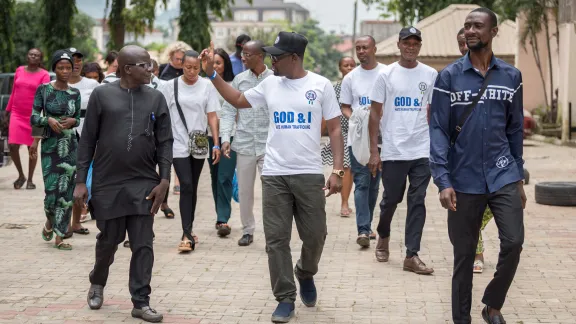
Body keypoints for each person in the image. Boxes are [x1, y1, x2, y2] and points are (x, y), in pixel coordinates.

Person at [200, 31, 344, 323]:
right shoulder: (270, 85)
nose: (271, 60)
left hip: (308, 173)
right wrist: (213, 75)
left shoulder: (320, 85)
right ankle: (285, 298)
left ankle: (305, 272)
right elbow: (238, 99)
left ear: (294, 57)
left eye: (276, 56)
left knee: (316, 235)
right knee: (276, 240)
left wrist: (338, 170)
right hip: (275, 173)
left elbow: (336, 128)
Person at [429, 8, 526, 324]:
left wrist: (519, 177)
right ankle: (462, 320)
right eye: (467, 26)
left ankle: (492, 304)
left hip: (503, 174)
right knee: (464, 257)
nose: (470, 30)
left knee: (513, 242)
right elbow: (439, 130)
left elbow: (514, 130)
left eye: (477, 26)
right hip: (463, 178)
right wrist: (443, 180)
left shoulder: (511, 76)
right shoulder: (449, 77)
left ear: (494, 31)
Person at [74, 45, 172, 323]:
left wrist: (164, 179)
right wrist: (81, 181)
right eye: (145, 65)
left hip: (143, 181)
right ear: (127, 68)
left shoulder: (156, 98)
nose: (151, 68)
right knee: (110, 240)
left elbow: (165, 142)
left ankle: (141, 302)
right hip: (108, 182)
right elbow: (87, 140)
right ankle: (97, 280)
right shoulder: (102, 95)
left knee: (143, 244)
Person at [367, 26, 437, 275]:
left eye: (415, 43)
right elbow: (375, 114)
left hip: (421, 148)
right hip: (394, 149)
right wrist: (375, 151)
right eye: (406, 43)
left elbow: (433, 113)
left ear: (420, 46)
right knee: (391, 200)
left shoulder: (430, 74)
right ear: (398, 45)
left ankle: (411, 254)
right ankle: (383, 234)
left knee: (417, 200)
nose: (411, 47)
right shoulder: (386, 75)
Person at [160, 50, 221, 252]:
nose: (192, 71)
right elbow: (162, 114)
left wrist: (216, 143)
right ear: (181, 65)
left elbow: (212, 115)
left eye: (196, 68)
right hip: (177, 142)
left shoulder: (207, 86)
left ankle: (189, 228)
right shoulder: (170, 86)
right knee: (185, 184)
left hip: (200, 142)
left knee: (192, 187)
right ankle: (186, 234)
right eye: (188, 67)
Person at [220, 40, 274, 246]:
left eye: (247, 54)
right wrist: (226, 138)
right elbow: (228, 111)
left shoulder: (275, 79)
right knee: (244, 191)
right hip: (243, 143)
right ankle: (248, 230)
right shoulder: (239, 80)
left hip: (269, 145)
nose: (242, 57)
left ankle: (272, 234)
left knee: (271, 192)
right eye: (242, 53)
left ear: (260, 56)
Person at [31, 49, 80, 250]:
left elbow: (77, 118)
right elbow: (34, 116)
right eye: (61, 67)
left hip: (69, 146)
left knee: (66, 192)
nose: (65, 71)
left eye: (68, 67)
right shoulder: (44, 90)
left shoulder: (75, 93)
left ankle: (60, 237)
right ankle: (51, 221)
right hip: (50, 146)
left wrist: (73, 121)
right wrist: (47, 119)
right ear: (54, 69)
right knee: (51, 193)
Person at [340, 36, 386, 247]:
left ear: (374, 49)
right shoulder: (351, 78)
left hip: (382, 138)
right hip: (357, 139)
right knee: (361, 182)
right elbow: (345, 106)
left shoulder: (387, 73)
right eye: (357, 48)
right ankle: (364, 230)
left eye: (364, 48)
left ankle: (367, 224)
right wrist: (357, 118)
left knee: (374, 183)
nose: (361, 51)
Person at [456, 27, 494, 274]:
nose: (464, 47)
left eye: (466, 42)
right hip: (464, 160)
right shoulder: (452, 75)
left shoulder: (500, 72)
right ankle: (476, 253)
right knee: (470, 212)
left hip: (495, 157)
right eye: (460, 44)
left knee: (492, 207)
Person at [4, 48, 49, 190]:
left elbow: (46, 95)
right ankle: (21, 175)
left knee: (32, 147)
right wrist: (7, 111)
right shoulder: (19, 70)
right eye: (31, 54)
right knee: (12, 145)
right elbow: (13, 92)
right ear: (27, 56)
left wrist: (44, 116)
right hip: (17, 113)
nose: (34, 56)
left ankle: (30, 180)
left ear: (40, 59)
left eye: (37, 55)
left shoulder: (44, 75)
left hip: (35, 114)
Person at [65, 47, 99, 235]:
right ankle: (56, 221)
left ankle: (76, 222)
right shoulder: (53, 84)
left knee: (81, 178)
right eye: (72, 59)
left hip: (86, 136)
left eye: (79, 59)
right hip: (62, 137)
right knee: (64, 180)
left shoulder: (92, 85)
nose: (76, 63)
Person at [321, 56, 355, 218]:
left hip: (360, 133)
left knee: (355, 171)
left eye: (352, 65)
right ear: (340, 68)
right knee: (346, 167)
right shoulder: (335, 89)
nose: (349, 68)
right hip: (343, 132)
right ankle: (344, 203)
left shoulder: (360, 87)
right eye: (345, 65)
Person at [208, 48, 236, 237]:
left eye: (219, 62)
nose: (216, 66)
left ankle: (223, 218)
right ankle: (220, 214)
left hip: (230, 136)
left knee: (225, 176)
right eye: (213, 63)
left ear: (225, 63)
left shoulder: (234, 84)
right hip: (210, 137)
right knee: (215, 176)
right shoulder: (205, 84)